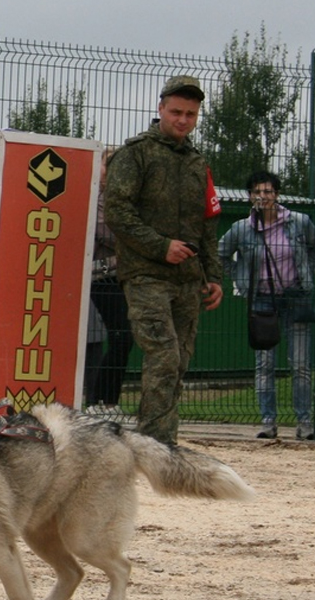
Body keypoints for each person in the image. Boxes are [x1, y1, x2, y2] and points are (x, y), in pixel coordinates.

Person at [103, 75, 223, 446]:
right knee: (164, 355)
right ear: (160, 109)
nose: (183, 120)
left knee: (180, 360)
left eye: (191, 113)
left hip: (187, 278)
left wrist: (213, 275)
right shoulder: (135, 153)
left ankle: (159, 439)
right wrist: (161, 247)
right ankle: (157, 444)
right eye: (176, 112)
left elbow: (207, 223)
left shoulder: (196, 161)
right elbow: (117, 212)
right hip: (145, 275)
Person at [218, 171, 315, 441]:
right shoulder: (241, 228)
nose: (263, 197)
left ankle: (305, 422)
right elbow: (221, 253)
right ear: (250, 196)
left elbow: (312, 249)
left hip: (296, 297)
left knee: (301, 364)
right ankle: (268, 421)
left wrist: (308, 276)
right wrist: (241, 277)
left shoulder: (300, 222)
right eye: (257, 192)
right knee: (264, 364)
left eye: (268, 192)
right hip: (261, 300)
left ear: (277, 195)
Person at [85, 147, 134, 416]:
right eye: (109, 165)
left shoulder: (125, 197)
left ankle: (105, 399)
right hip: (98, 276)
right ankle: (100, 400)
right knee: (122, 335)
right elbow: (103, 230)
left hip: (122, 274)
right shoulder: (96, 197)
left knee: (123, 337)